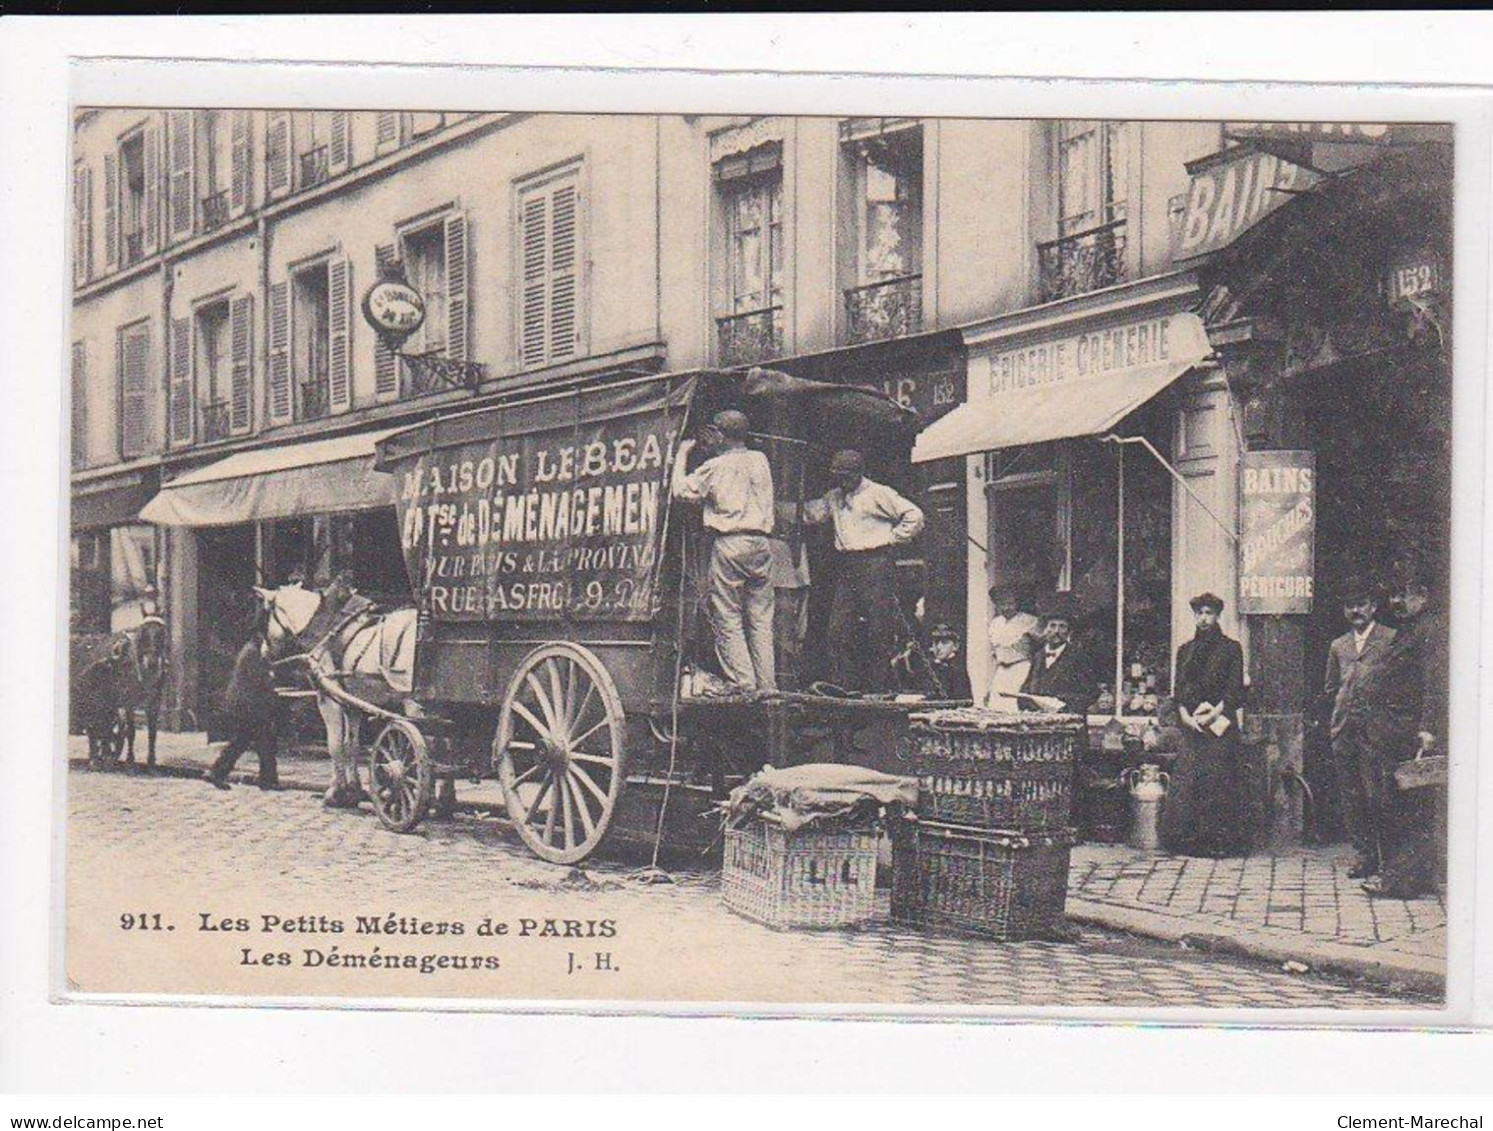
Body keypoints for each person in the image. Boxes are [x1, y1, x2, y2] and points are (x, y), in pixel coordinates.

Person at [800, 449, 925, 692]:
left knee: (879, 627)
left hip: (875, 562)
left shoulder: (878, 493)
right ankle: (844, 685)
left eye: (846, 476)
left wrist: (892, 539)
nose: (842, 481)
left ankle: (880, 687)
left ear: (859, 473)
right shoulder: (835, 496)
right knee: (837, 629)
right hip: (848, 564)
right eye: (838, 477)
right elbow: (812, 514)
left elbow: (914, 515)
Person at [670, 409, 777, 693]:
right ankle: (767, 686)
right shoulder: (760, 459)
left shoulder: (716, 466)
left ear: (720, 434)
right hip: (762, 545)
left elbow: (680, 491)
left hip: (731, 544)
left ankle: (743, 682)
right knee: (761, 619)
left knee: (728, 616)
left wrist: (683, 454)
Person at [1365, 559, 1449, 898]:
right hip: (1391, 729)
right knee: (1404, 806)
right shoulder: (1408, 630)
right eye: (1393, 596)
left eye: (1403, 595)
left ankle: (1401, 882)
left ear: (1423, 596)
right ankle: (1416, 878)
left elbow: (1436, 683)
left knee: (1405, 809)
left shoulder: (1431, 630)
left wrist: (1428, 729)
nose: (1396, 602)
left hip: (1407, 732)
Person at [1322, 574, 1398, 881]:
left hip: (1377, 732)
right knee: (1352, 796)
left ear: (1374, 607)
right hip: (1345, 732)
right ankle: (1365, 856)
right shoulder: (1338, 646)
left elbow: (1400, 686)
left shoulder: (1390, 638)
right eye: (1350, 606)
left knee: (1378, 794)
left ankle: (1389, 859)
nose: (1356, 611)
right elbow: (1330, 688)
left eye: (1362, 605)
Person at [1164, 592, 1248, 857]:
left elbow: (1235, 689)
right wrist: (1186, 717)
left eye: (1209, 613)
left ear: (1217, 616)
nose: (1203, 618)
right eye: (1199, 613)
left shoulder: (1231, 648)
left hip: (1220, 725)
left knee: (1218, 782)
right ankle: (1188, 843)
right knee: (1188, 782)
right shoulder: (1185, 651)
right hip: (1192, 727)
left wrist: (1216, 713)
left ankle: (1219, 843)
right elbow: (1178, 690)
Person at [205, 617, 282, 791]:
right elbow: (259, 680)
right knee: (259, 741)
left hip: (246, 704)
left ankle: (218, 772)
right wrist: (271, 683)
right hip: (247, 705)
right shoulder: (252, 652)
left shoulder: (253, 650)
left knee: (248, 742)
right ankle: (267, 780)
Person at [1019, 597, 1096, 714]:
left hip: (1067, 722)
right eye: (1052, 626)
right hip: (1039, 721)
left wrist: (1062, 706)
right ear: (1045, 630)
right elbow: (1026, 689)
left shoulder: (1079, 657)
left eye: (1062, 626)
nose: (1056, 631)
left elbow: (1090, 693)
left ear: (1069, 632)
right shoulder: (1038, 656)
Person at [986, 583, 1039, 711]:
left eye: (1010, 603)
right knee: (996, 705)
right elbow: (995, 652)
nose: (1007, 607)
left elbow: (1039, 645)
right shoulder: (995, 623)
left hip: (1021, 668)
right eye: (1002, 604)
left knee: (1014, 704)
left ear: (1017, 603)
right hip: (1001, 670)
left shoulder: (1029, 620)